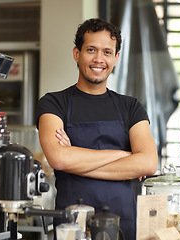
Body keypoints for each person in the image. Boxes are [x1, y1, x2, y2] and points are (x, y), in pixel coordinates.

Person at [35, 18, 158, 240]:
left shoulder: (131, 107)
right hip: (73, 227)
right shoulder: (54, 103)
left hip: (124, 226)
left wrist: (76, 161)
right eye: (91, 50)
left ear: (116, 58)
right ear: (76, 53)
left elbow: (148, 163)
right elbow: (59, 159)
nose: (99, 59)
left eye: (107, 52)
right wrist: (125, 155)